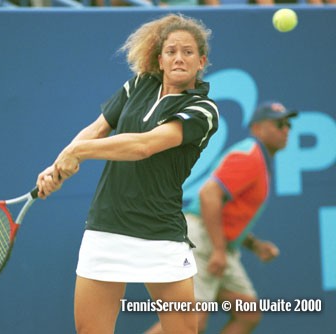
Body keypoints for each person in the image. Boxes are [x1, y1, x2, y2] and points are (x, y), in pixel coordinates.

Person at [36, 14, 219, 334]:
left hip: (161, 234)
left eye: (188, 52)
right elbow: (97, 129)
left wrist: (77, 152)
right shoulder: (138, 85)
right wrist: (57, 167)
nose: (179, 57)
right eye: (172, 51)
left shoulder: (202, 110)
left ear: (201, 61)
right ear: (159, 59)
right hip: (106, 227)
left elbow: (144, 146)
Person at [146, 101, 298, 334]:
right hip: (202, 241)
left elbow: (227, 213)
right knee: (190, 323)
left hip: (217, 244)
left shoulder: (258, 158)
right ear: (257, 128)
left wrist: (254, 244)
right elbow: (209, 196)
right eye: (279, 123)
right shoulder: (250, 155)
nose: (286, 129)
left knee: (247, 314)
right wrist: (218, 248)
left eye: (288, 124)